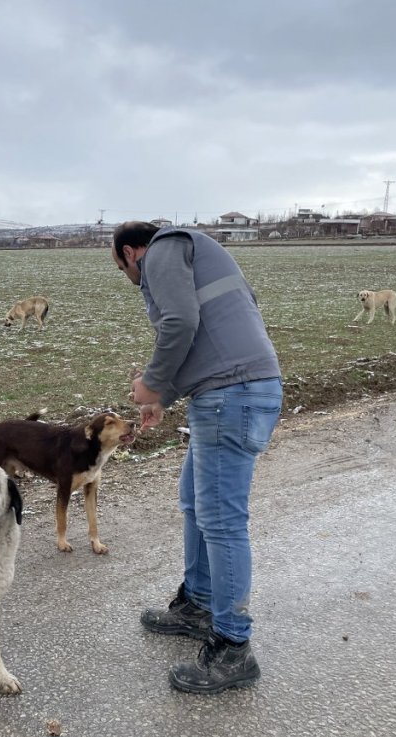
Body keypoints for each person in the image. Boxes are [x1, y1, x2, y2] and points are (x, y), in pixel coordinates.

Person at [111, 221, 282, 694]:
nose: (128, 277)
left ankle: (232, 648)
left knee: (222, 520)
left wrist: (150, 382)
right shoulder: (198, 253)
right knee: (195, 501)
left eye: (121, 268)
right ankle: (199, 604)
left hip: (233, 395)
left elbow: (181, 321)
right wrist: (162, 396)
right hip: (233, 392)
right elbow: (212, 333)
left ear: (130, 252)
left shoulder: (163, 249)